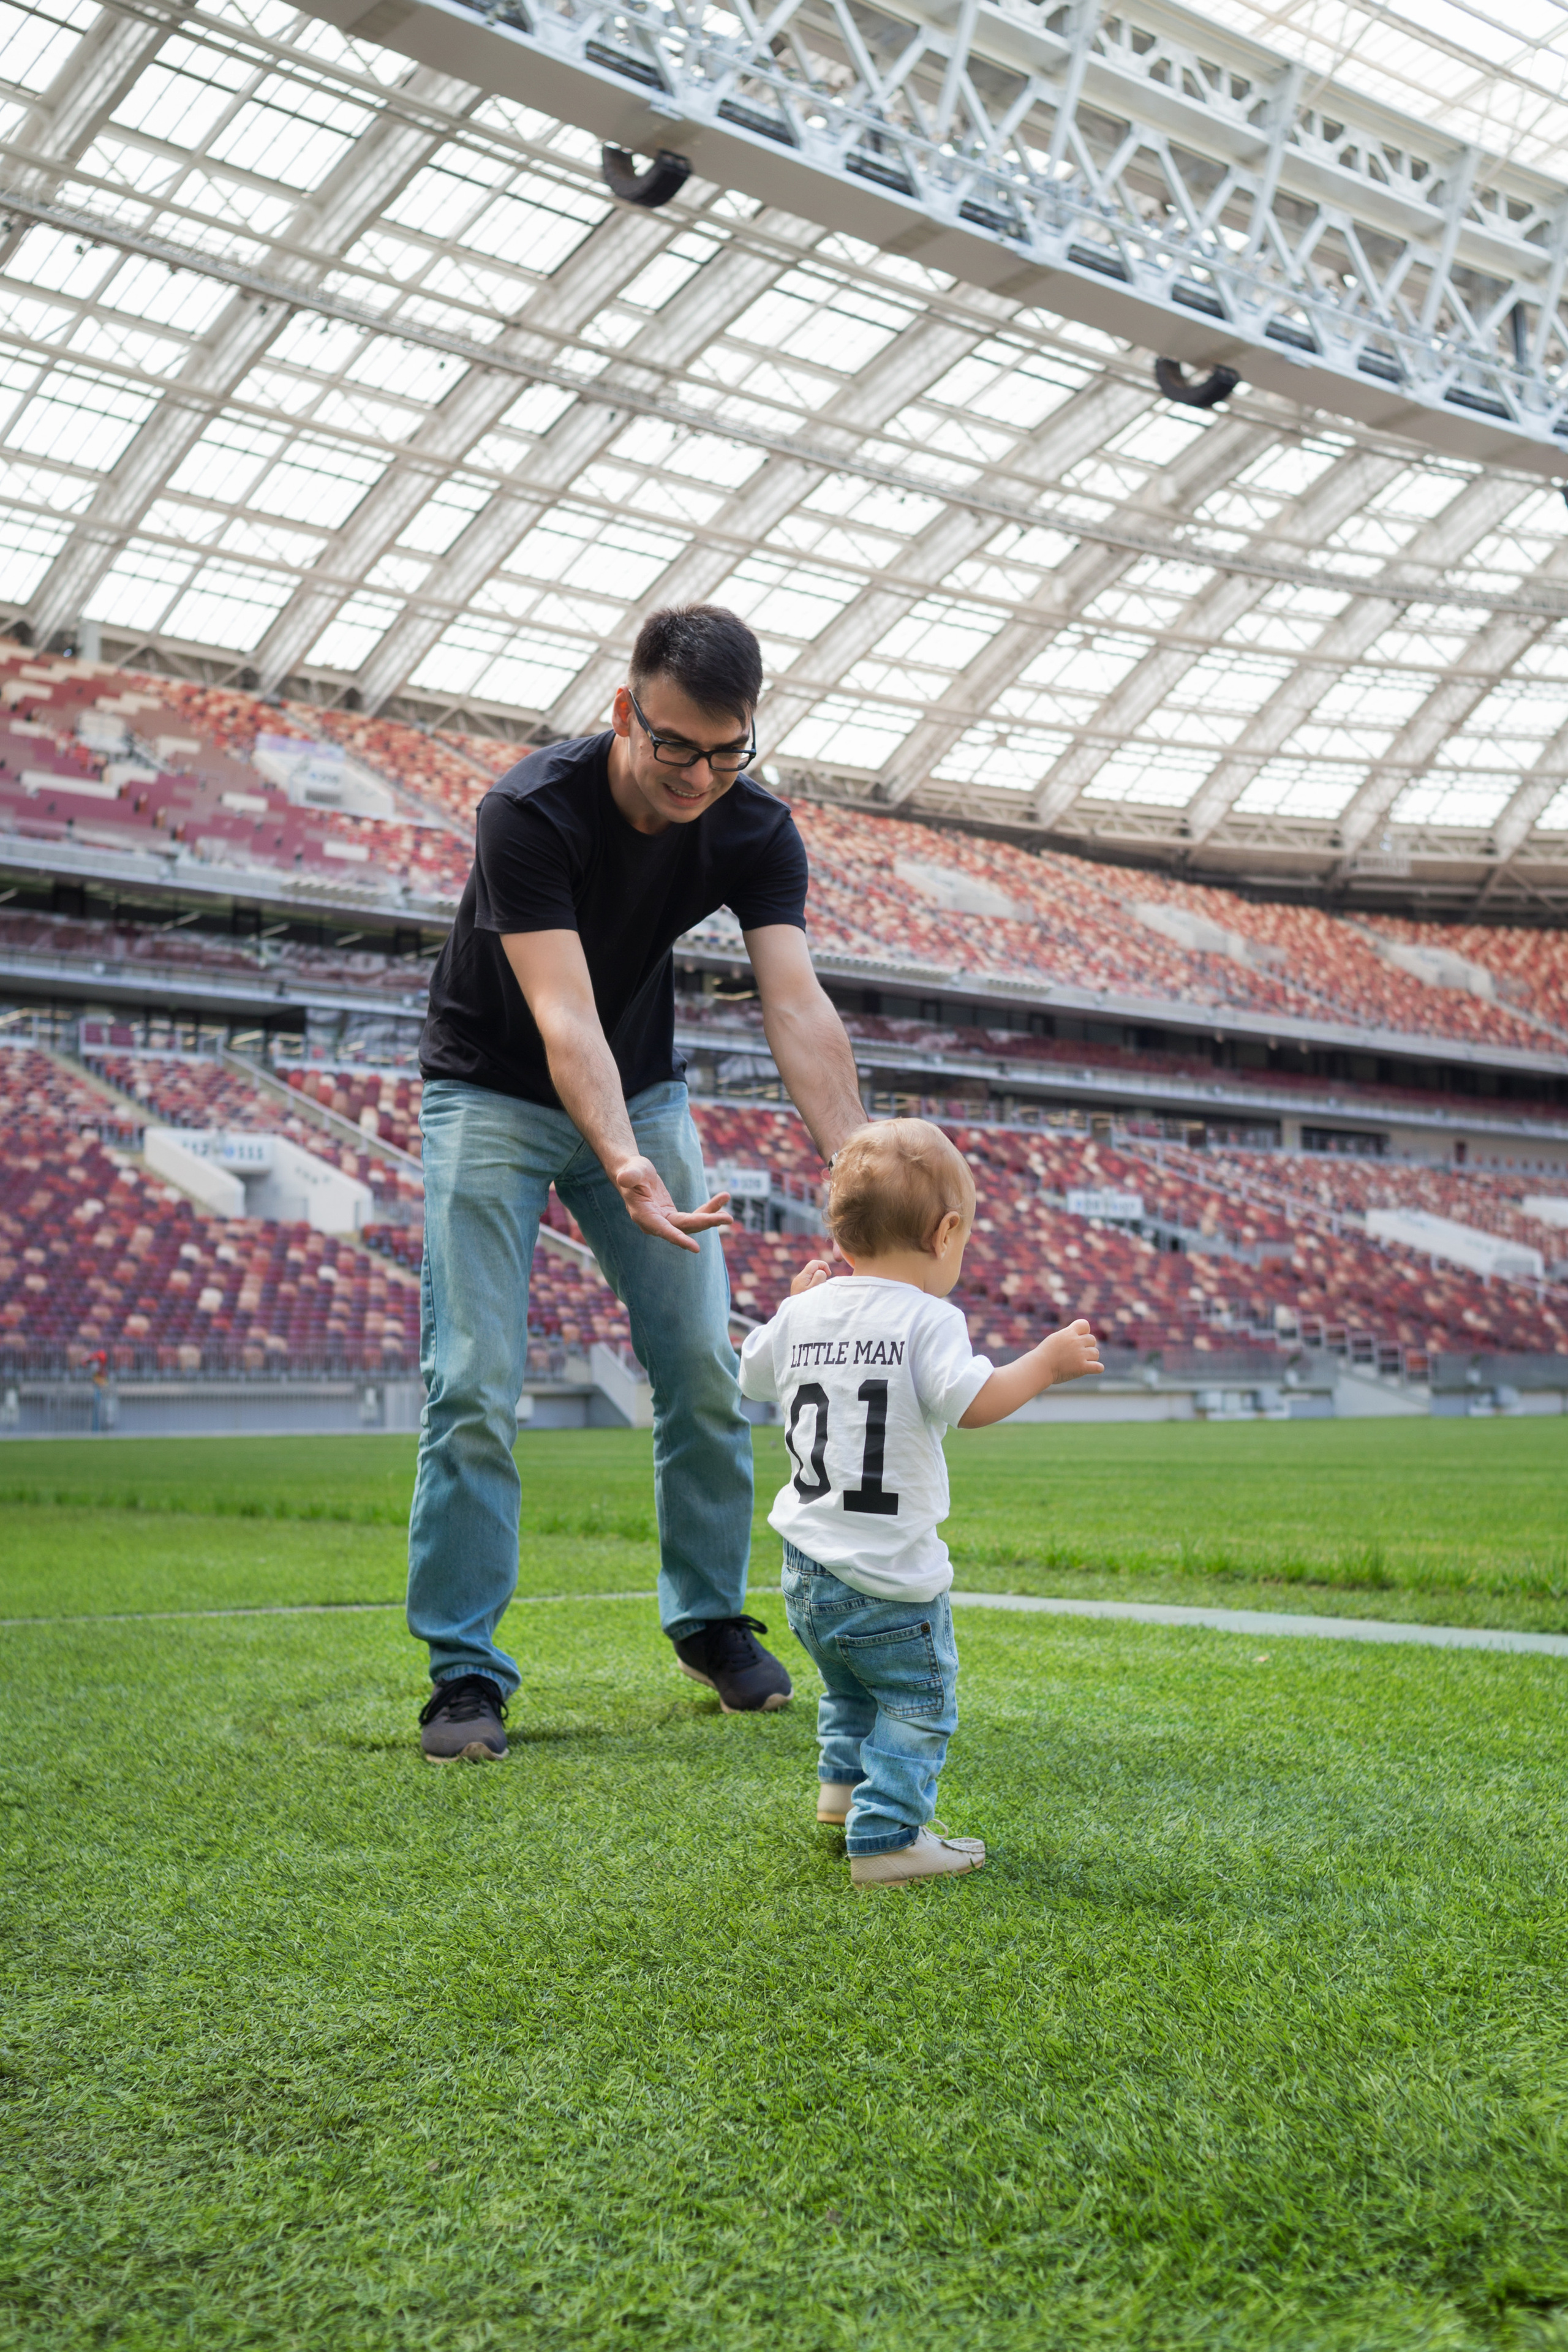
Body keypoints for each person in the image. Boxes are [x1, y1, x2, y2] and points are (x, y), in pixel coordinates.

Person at [408, 604, 867, 1762]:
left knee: (704, 1371)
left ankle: (710, 1621)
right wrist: (623, 1163)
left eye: (727, 750)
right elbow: (564, 1016)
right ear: (624, 713)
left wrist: (863, 1182)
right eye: (674, 747)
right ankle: (466, 1672)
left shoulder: (756, 826)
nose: (700, 777)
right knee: (473, 1378)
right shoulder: (528, 809)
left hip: (646, 1094)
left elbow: (797, 1004)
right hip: (493, 1092)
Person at [737, 1119, 1103, 1888]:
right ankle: (888, 1838)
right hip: (889, 1576)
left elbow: (752, 1376)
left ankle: (840, 1797)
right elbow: (970, 1401)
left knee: (847, 1688)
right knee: (916, 1702)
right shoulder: (927, 1318)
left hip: (804, 1571)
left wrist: (790, 1308)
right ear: (945, 1233)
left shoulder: (804, 1311)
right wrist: (1044, 1363)